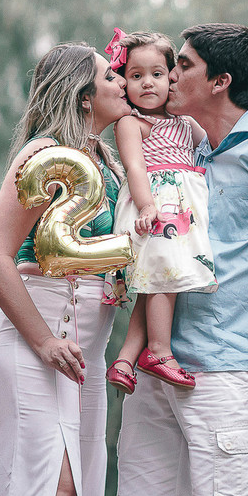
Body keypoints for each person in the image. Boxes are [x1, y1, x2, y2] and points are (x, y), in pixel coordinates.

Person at [116, 23, 248, 496]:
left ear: (221, 82)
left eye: (183, 65)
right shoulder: (184, 150)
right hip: (157, 372)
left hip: (225, 375)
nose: (171, 75)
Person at [0, 43, 130, 496]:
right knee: (52, 486)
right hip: (36, 341)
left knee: (80, 487)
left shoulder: (109, 165)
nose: (122, 82)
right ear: (84, 97)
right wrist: (44, 341)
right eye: (110, 77)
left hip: (86, 354)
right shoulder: (47, 154)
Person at [101, 30, 217, 396]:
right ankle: (159, 351)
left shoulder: (185, 122)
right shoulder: (131, 122)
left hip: (179, 210)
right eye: (136, 76)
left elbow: (212, 146)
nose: (147, 83)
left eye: (157, 74)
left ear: (171, 77)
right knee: (165, 276)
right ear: (125, 82)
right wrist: (148, 205)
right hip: (153, 206)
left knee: (156, 283)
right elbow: (135, 167)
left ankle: (124, 360)